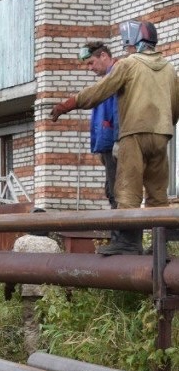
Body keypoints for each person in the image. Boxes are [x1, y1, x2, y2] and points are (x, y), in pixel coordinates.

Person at [50, 20, 179, 255]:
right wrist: (164, 127)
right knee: (158, 194)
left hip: (133, 136)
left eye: (127, 44)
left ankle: (128, 244)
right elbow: (176, 106)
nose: (126, 48)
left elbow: (99, 91)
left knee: (127, 191)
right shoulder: (169, 69)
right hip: (162, 136)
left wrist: (67, 105)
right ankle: (161, 248)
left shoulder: (128, 65)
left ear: (134, 43)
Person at [80, 42, 119, 208]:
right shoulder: (106, 81)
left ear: (103, 56)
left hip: (114, 144)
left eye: (91, 62)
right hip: (107, 145)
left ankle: (120, 232)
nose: (90, 68)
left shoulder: (116, 77)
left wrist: (117, 140)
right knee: (111, 191)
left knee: (117, 193)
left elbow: (118, 112)